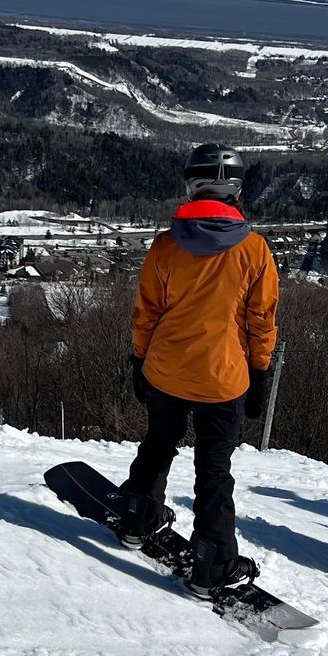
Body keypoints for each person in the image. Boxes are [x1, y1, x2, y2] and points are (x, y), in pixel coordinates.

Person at [114, 143, 279, 598]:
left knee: (157, 445)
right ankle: (212, 563)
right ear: (237, 190)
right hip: (224, 378)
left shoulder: (166, 245)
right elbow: (261, 321)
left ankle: (137, 519)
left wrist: (139, 358)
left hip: (166, 369)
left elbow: (146, 311)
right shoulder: (254, 250)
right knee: (214, 469)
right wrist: (260, 373)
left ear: (191, 187)